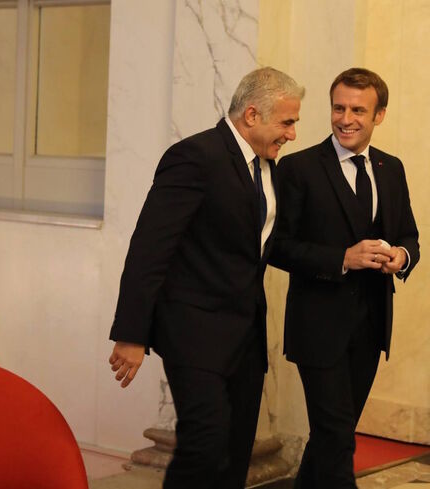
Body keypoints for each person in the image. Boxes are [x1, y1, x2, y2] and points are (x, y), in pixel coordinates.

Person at [107, 67, 303, 489]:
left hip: (245, 335)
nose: (291, 134)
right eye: (287, 122)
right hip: (193, 331)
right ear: (252, 115)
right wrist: (132, 333)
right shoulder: (195, 156)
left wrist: (342, 258)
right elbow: (149, 248)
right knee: (205, 443)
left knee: (234, 451)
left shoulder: (270, 168)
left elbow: (265, 244)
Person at [270, 67, 419, 488]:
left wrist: (401, 256)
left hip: (371, 327)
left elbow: (409, 234)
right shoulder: (298, 168)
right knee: (337, 436)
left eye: (358, 109)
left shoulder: (391, 168)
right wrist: (343, 258)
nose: (346, 118)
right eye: (339, 108)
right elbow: (275, 245)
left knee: (332, 434)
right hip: (318, 326)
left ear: (379, 115)